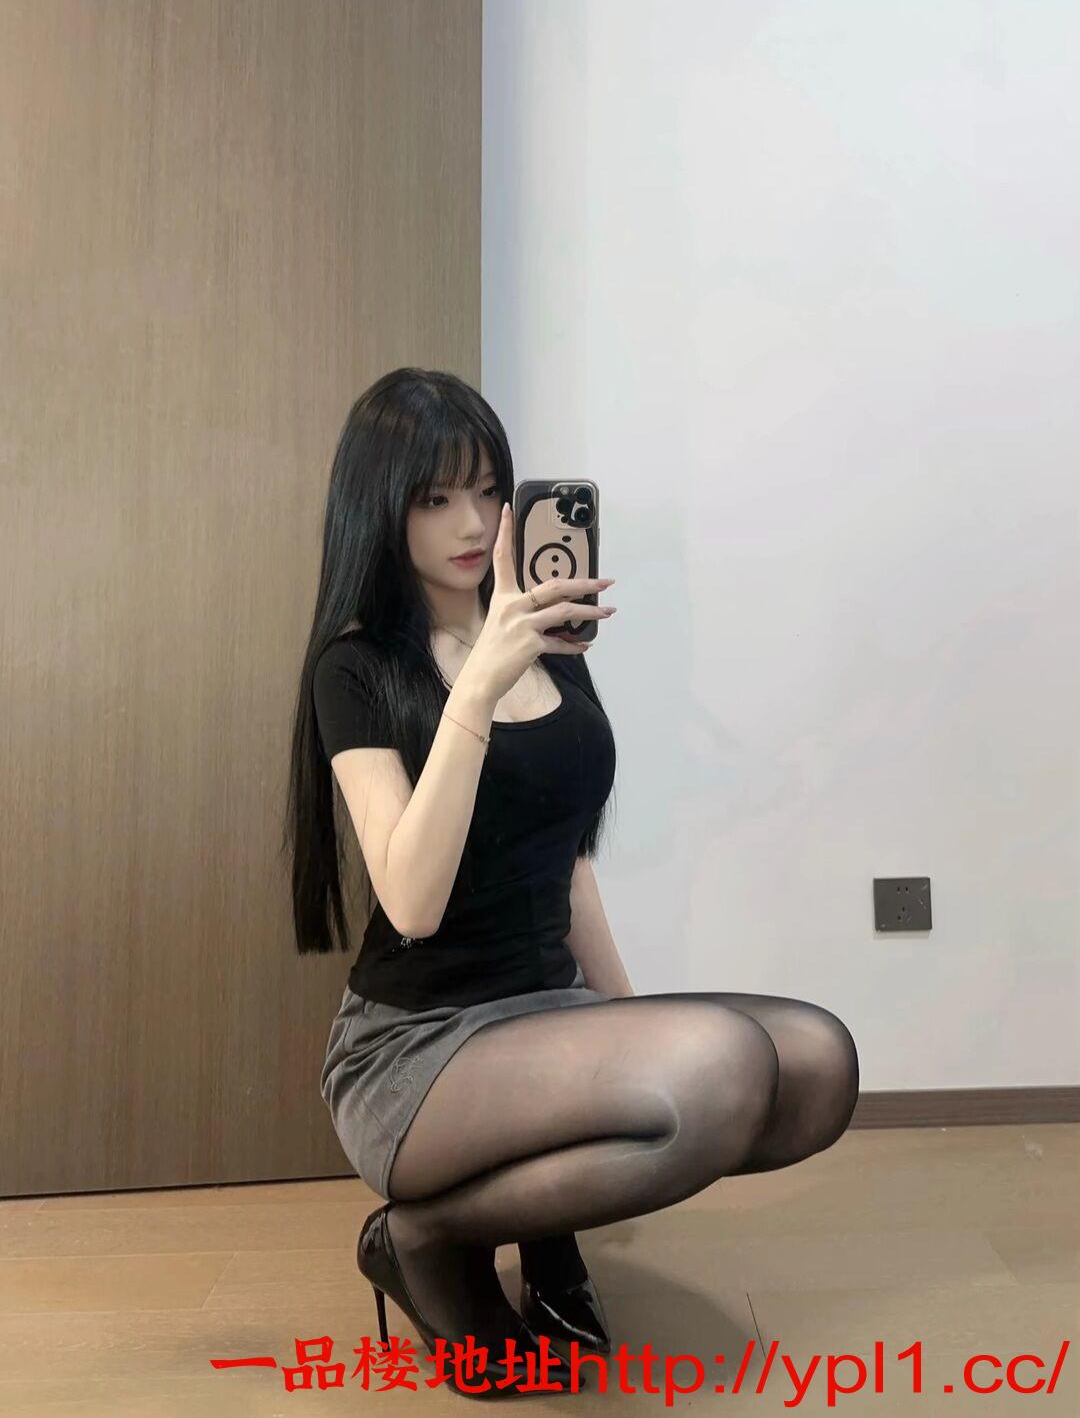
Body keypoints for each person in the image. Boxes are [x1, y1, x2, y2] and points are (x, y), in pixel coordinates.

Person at [284, 367, 860, 1396]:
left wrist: (633, 1025)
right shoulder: (358, 669)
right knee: (725, 1067)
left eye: (488, 488)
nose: (474, 522)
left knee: (815, 1065)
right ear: (382, 507)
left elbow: (571, 864)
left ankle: (545, 1231)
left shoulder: (556, 640)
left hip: (547, 1013)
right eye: (436, 497)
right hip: (419, 1047)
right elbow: (411, 901)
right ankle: (423, 1236)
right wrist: (476, 688)